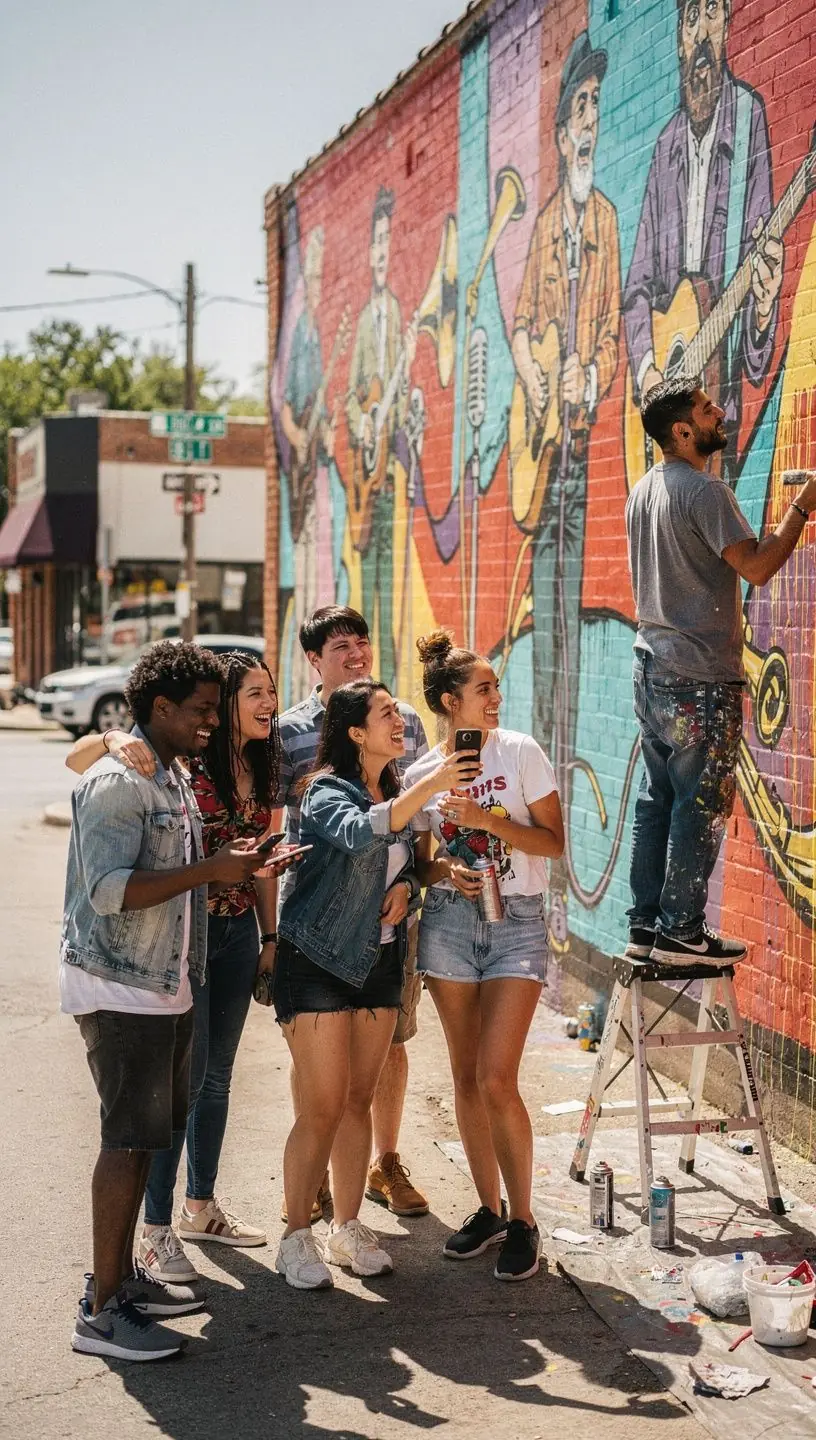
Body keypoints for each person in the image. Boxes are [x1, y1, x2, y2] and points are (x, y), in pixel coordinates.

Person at [63, 642, 278, 1361]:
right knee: (125, 1143)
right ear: (158, 709)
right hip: (122, 984)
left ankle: (120, 1282)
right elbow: (108, 891)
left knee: (151, 1134)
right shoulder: (121, 781)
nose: (211, 723)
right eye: (201, 711)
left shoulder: (174, 773)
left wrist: (242, 865)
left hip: (165, 981)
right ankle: (99, 1314)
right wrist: (212, 870)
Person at [274, 679, 479, 1289]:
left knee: (357, 1102)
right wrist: (433, 784)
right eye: (386, 714)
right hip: (316, 961)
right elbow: (362, 831)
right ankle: (294, 1236)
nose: (400, 721)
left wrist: (410, 887)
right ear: (356, 733)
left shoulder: (395, 788)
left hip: (381, 963)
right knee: (321, 1107)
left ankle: (346, 1225)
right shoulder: (323, 792)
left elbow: (411, 866)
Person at [624, 379, 816, 963]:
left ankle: (646, 923)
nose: (720, 413)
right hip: (699, 679)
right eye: (708, 410)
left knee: (657, 800)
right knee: (699, 803)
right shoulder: (705, 493)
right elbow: (757, 568)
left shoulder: (645, 490)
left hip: (653, 669)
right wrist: (803, 506)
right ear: (682, 432)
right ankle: (682, 928)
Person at [404, 631, 565, 1283]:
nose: (496, 697)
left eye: (496, 687)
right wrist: (446, 871)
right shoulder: (420, 774)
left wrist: (487, 819)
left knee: (498, 1077)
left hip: (516, 922)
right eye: (484, 689)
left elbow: (552, 844)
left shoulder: (521, 753)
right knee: (466, 1076)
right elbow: (420, 862)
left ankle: (525, 1219)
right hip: (447, 922)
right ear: (451, 702)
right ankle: (489, 1209)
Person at [512, 30, 620, 946]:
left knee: (571, 650)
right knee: (546, 636)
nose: (589, 123)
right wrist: (547, 382)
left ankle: (550, 849)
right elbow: (522, 333)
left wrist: (595, 377)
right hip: (545, 457)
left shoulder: (609, 222)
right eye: (579, 109)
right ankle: (538, 853)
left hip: (582, 456)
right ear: (557, 131)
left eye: (596, 109)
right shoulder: (549, 223)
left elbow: (614, 340)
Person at [276, 605, 430, 1221]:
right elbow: (292, 825)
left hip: (390, 926)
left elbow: (416, 830)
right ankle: (312, 1179)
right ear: (315, 659)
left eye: (362, 642)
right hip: (322, 923)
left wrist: (415, 882)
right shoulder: (291, 732)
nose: (357, 653)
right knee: (321, 1077)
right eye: (341, 646)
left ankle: (381, 1165)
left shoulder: (406, 721)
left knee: (389, 1047)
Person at [624, 0, 783, 467]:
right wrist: (648, 371)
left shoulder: (749, 117)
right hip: (678, 429)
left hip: (721, 418)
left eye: (713, 10)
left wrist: (764, 303)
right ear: (678, 42)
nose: (702, 32)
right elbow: (635, 290)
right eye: (690, 17)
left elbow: (758, 350)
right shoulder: (664, 146)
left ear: (730, 24)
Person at [346, 185, 417, 690]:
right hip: (365, 481)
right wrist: (363, 423)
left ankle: (382, 686)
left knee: (389, 603)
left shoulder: (397, 314)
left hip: (390, 479)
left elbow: (401, 394)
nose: (381, 252)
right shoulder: (364, 324)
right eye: (376, 242)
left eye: (388, 242)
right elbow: (351, 399)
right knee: (364, 598)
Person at [279, 226, 338, 700]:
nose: (319, 285)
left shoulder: (316, 332)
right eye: (314, 275)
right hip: (303, 477)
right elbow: (286, 406)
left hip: (312, 472)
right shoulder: (301, 333)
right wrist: (300, 440)